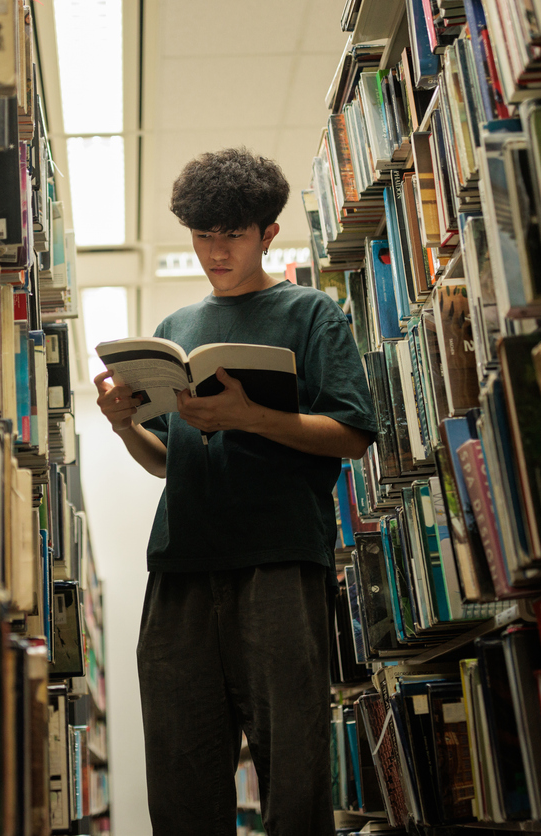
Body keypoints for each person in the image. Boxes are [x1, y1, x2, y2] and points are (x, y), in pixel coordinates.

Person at [93, 147, 379, 835]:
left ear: (267, 233)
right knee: (180, 771)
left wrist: (249, 416)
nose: (215, 251)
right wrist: (125, 427)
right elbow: (168, 461)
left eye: (233, 234)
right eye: (202, 234)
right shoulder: (174, 330)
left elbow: (351, 433)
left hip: (278, 561)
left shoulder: (310, 314)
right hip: (181, 566)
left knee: (293, 770)